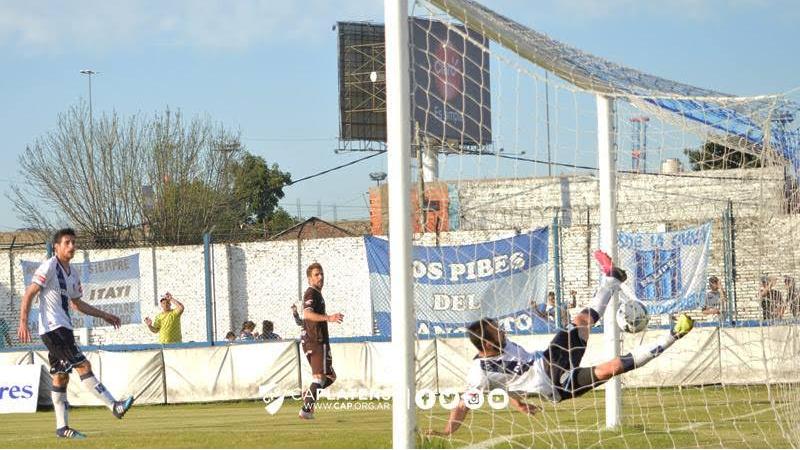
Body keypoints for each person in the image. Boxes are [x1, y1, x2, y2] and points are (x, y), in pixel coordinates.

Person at [429, 250, 695, 437]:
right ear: (485, 344)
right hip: (554, 385)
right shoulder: (479, 371)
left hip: (550, 361)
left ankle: (613, 281)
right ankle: (672, 333)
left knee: (582, 321)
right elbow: (466, 403)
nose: (502, 330)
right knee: (611, 368)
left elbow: (505, 383)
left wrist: (518, 403)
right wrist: (448, 430)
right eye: (496, 330)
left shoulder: (501, 347)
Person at [17, 228, 134, 439]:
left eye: (73, 242)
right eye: (67, 242)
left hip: (64, 329)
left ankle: (62, 428)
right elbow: (29, 293)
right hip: (54, 329)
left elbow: (77, 304)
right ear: (57, 246)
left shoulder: (73, 272)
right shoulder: (49, 266)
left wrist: (104, 315)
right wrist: (23, 322)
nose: (72, 246)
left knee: (60, 377)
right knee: (83, 365)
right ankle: (114, 406)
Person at [299, 262, 344, 420]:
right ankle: (306, 410)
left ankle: (309, 395)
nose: (321, 277)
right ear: (309, 279)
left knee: (329, 377)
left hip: (315, 340)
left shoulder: (317, 293)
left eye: (322, 273)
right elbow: (307, 314)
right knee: (319, 378)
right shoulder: (311, 293)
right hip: (316, 340)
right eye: (317, 274)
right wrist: (329, 318)